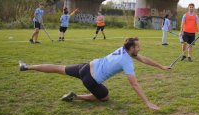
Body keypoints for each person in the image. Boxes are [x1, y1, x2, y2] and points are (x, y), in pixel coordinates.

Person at [18, 37, 171, 110]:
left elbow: (143, 59)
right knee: (104, 96)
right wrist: (147, 102)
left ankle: (27, 67)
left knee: (59, 68)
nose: (139, 49)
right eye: (138, 47)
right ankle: (75, 96)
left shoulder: (123, 49)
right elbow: (134, 84)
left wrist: (161, 67)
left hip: (85, 66)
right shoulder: (127, 61)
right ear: (131, 49)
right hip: (90, 79)